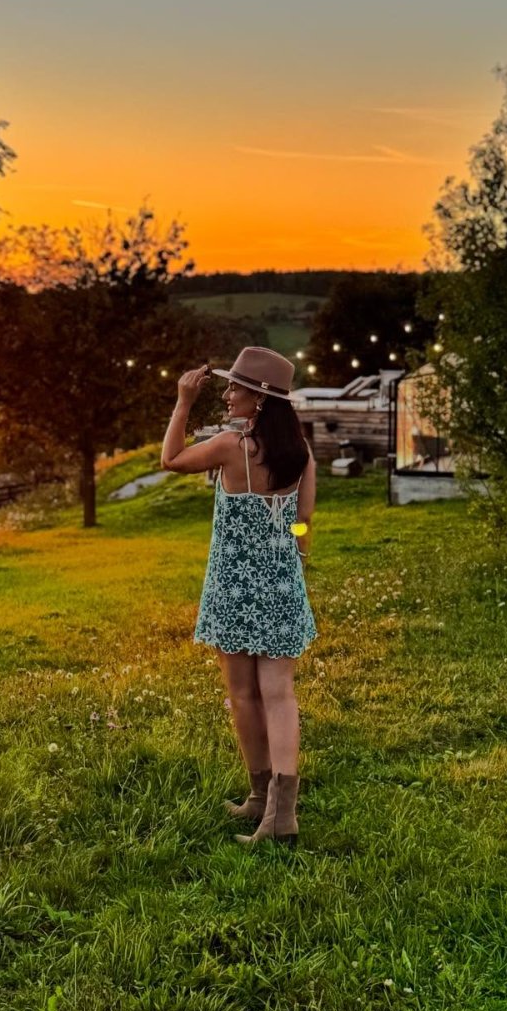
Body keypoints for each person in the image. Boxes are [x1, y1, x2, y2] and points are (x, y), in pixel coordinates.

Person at [160, 346, 316, 845]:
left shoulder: (231, 447)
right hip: (282, 584)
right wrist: (295, 554)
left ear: (260, 399)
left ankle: (263, 797)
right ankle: (274, 809)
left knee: (245, 695)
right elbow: (303, 522)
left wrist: (184, 401)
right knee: (280, 694)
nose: (227, 395)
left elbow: (170, 459)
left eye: (236, 388)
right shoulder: (300, 452)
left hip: (233, 587)